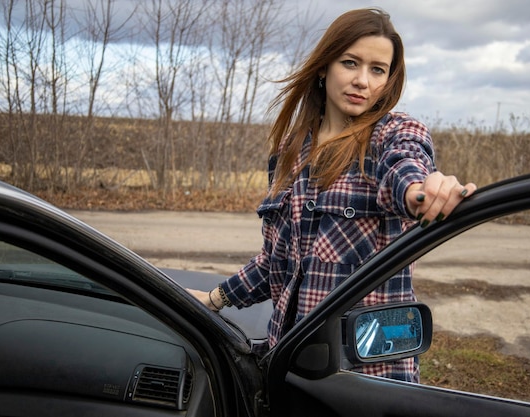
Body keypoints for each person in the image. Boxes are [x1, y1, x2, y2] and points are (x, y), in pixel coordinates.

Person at [187, 7, 476, 382]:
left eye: (377, 70)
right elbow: (277, 263)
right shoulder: (289, 153)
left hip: (365, 380)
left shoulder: (390, 135)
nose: (363, 81)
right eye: (350, 63)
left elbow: (405, 167)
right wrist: (211, 301)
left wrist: (423, 191)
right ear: (324, 67)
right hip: (288, 365)